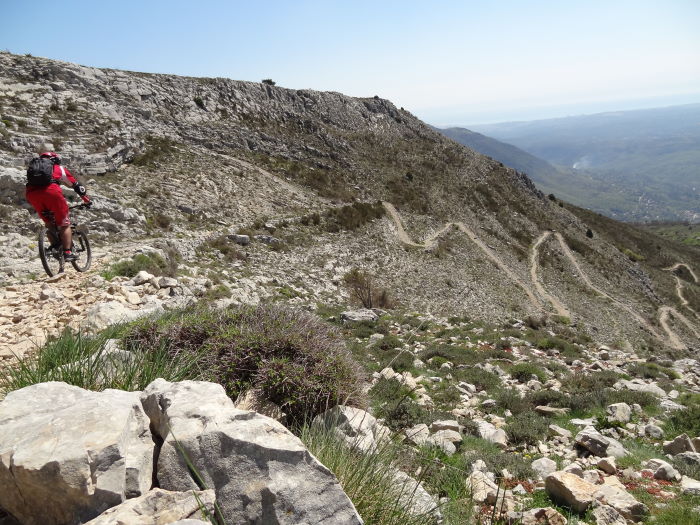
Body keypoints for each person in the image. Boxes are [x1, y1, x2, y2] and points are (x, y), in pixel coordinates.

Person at [25, 152, 92, 261]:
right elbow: (76, 186)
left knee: (49, 223)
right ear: (55, 160)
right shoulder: (58, 168)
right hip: (51, 193)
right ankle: (67, 252)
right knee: (64, 224)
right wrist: (86, 200)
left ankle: (55, 248)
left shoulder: (34, 168)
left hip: (32, 194)